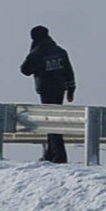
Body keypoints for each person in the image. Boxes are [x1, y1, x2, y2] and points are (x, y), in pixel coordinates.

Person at [21, 23, 75, 163]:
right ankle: (51, 153)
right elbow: (69, 71)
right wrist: (71, 90)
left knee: (50, 123)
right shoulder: (60, 51)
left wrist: (32, 54)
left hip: (46, 90)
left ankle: (58, 155)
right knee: (54, 121)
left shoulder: (38, 53)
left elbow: (25, 70)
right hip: (60, 89)